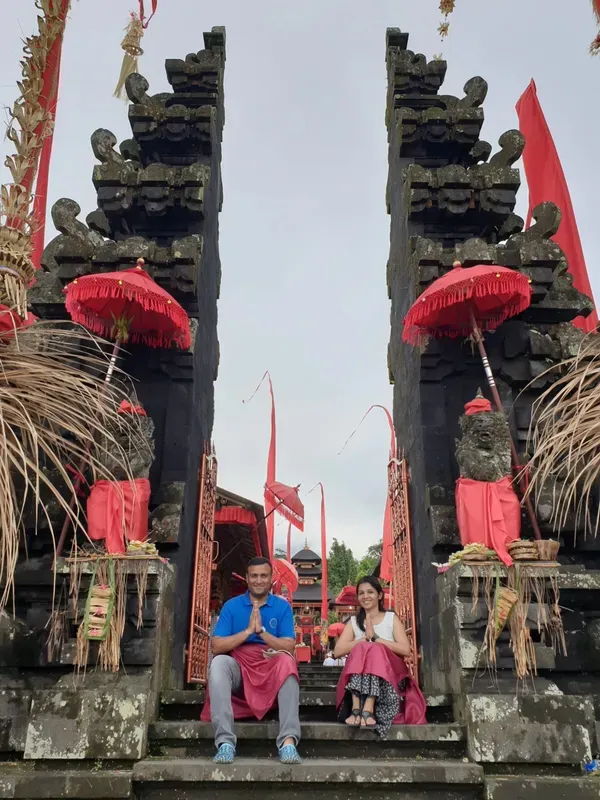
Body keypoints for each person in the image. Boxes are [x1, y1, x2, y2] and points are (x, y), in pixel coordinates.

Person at [201, 557, 302, 765]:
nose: (258, 580)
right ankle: (225, 742)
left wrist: (262, 633)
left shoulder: (282, 607)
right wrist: (248, 632)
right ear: (247, 578)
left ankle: (288, 741)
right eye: (254, 576)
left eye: (263, 576)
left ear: (271, 579)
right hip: (240, 666)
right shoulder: (232, 606)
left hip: (271, 663)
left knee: (287, 661)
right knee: (219, 663)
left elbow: (290, 645)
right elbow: (217, 646)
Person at [333, 575, 426, 737]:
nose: (365, 596)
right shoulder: (354, 622)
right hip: (360, 677)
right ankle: (357, 708)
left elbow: (406, 650)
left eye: (370, 592)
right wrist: (364, 639)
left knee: (375, 648)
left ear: (380, 595)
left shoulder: (391, 618)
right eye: (361, 593)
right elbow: (337, 651)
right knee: (363, 646)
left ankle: (366, 707)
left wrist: (376, 638)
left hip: (390, 675)